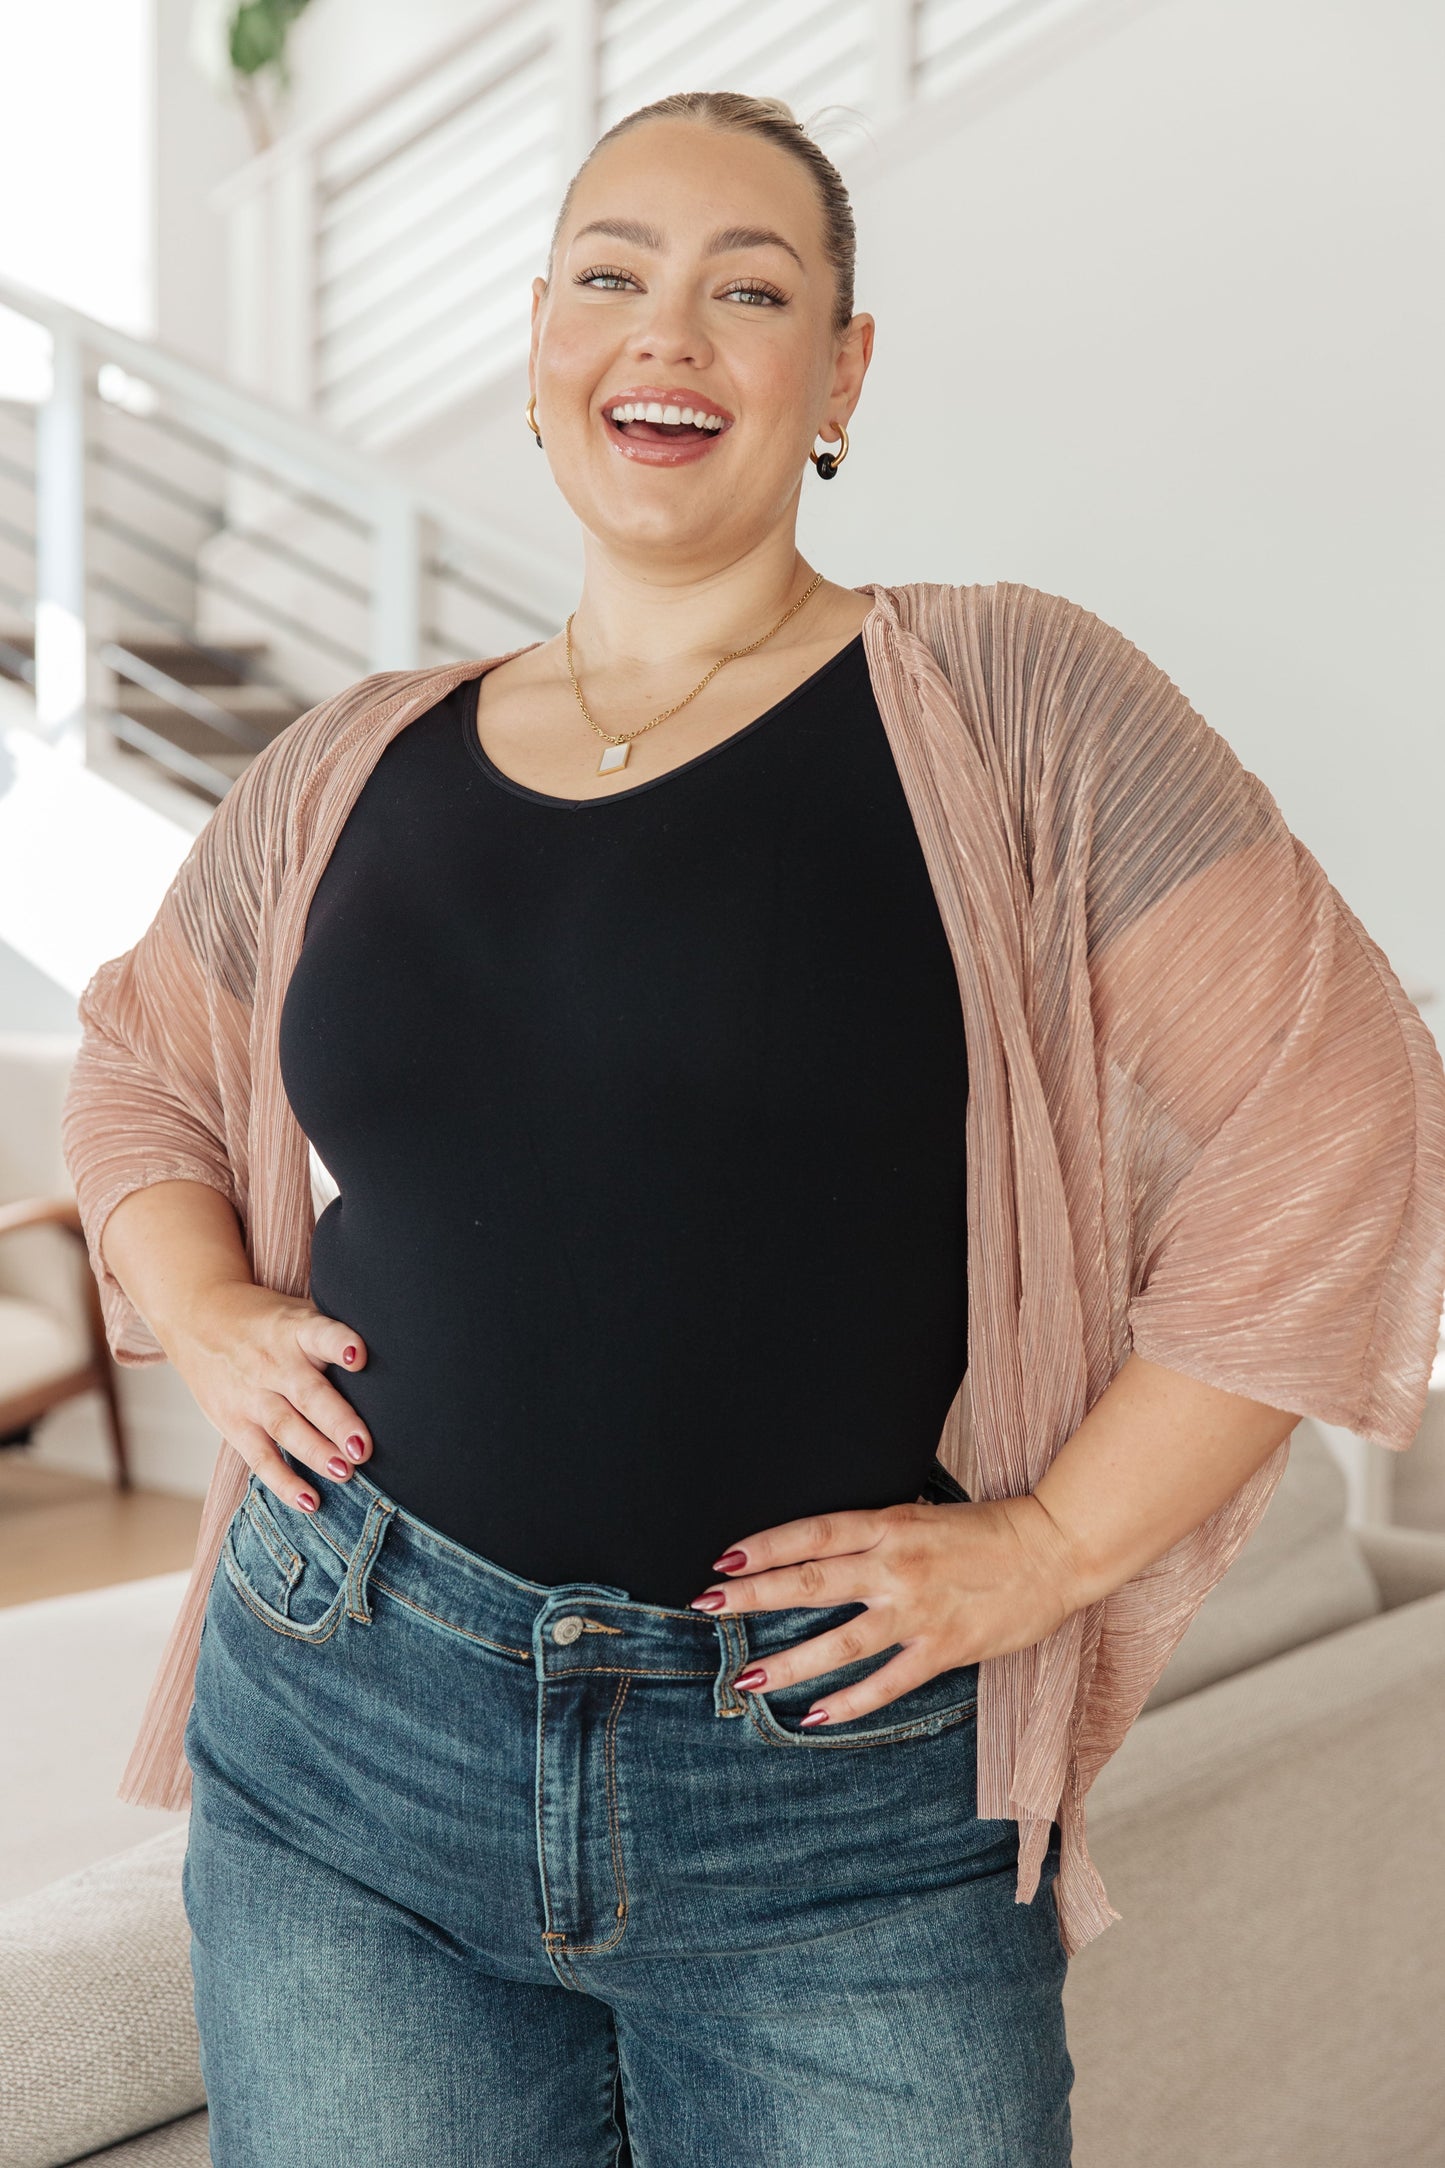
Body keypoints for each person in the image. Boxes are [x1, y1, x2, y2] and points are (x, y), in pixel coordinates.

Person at [60, 90, 1445, 2168]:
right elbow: (142, 1063)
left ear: (841, 375)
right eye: (610, 277)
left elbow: (1344, 1117)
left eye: (751, 289)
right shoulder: (354, 758)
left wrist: (1053, 1546)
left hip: (832, 1790)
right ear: (538, 340)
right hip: (348, 1722)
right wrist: (205, 1301)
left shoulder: (1012, 705)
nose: (667, 333)